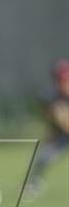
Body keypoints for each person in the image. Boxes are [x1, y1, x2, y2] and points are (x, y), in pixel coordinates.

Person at [25, 59, 69, 199]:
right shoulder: (50, 96)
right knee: (43, 158)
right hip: (61, 135)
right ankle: (34, 184)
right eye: (61, 79)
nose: (64, 83)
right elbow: (59, 121)